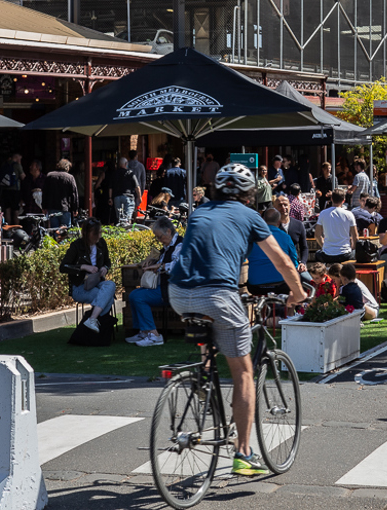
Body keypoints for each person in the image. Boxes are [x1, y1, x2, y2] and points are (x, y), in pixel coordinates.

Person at [167, 162, 305, 476]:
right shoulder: (250, 215)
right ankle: (243, 453)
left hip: (177, 292)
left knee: (210, 329)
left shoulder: (200, 211)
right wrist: (298, 293)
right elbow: (282, 260)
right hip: (217, 294)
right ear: (250, 194)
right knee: (243, 372)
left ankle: (202, 376)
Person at [125, 217, 183, 347]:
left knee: (139, 297)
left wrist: (160, 266)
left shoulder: (180, 245)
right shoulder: (168, 246)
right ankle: (144, 331)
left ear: (168, 231)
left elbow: (180, 265)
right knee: (134, 294)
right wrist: (152, 262)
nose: (159, 240)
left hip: (173, 291)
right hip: (164, 287)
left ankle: (154, 335)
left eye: (160, 237)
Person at [58, 217, 118, 333]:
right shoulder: (76, 246)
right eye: (95, 234)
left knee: (110, 285)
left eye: (99, 233)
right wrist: (82, 267)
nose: (98, 236)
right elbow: (63, 267)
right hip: (80, 286)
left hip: (97, 282)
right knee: (107, 298)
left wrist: (105, 268)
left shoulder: (101, 243)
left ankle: (92, 319)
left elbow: (107, 262)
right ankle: (96, 326)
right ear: (85, 233)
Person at [245, 208, 300, 294]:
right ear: (279, 222)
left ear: (263, 220)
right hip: (281, 284)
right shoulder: (286, 237)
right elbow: (294, 261)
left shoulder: (252, 237)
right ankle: (290, 307)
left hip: (256, 286)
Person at [314, 188, 358, 263]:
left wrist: (324, 246)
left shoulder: (323, 213)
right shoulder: (349, 214)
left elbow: (317, 235)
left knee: (317, 254)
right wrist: (352, 248)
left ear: (331, 199)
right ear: (343, 200)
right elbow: (355, 237)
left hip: (327, 254)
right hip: (345, 254)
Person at [272, 194, 309, 271]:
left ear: (289, 205)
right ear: (274, 207)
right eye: (280, 205)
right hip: (275, 266)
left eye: (285, 205)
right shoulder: (271, 227)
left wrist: (303, 263)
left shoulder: (298, 225)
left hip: (295, 265)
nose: (283, 208)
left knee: (309, 281)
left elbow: (304, 247)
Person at [42, 159, 79, 228]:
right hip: (65, 207)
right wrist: (75, 209)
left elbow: (45, 192)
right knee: (65, 230)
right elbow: (74, 195)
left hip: (52, 206)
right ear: (67, 167)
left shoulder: (50, 175)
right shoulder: (70, 177)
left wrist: (44, 206)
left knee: (54, 229)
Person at [111, 157, 141, 223]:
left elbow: (110, 187)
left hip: (117, 197)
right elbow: (137, 186)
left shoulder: (115, 174)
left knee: (119, 219)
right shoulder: (130, 173)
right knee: (127, 219)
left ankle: (120, 230)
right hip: (128, 197)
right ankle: (127, 230)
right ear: (126, 164)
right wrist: (139, 197)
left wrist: (110, 198)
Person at [0, 152, 25, 225]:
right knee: (15, 210)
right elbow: (23, 177)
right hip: (15, 190)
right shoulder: (17, 165)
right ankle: (16, 228)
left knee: (7, 209)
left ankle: (8, 228)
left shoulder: (4, 164)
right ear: (17, 157)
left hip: (5, 190)